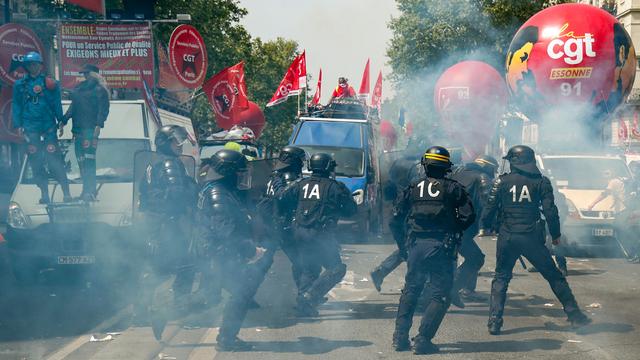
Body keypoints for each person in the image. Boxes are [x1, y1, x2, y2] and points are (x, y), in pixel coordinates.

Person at [481, 145, 591, 336]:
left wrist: (487, 226)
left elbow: (490, 207)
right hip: (531, 236)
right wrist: (555, 235)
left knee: (501, 277)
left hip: (507, 236)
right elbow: (550, 211)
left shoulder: (501, 181)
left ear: (514, 162)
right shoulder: (541, 182)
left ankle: (494, 322)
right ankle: (575, 316)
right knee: (554, 276)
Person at [391, 146, 475, 354]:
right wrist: (454, 230)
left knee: (411, 290)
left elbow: (395, 218)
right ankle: (423, 340)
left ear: (425, 165)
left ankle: (400, 339)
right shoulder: (454, 188)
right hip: (442, 248)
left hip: (416, 246)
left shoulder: (412, 187)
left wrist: (403, 244)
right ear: (447, 167)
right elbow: (468, 216)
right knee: (440, 294)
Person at [196, 149, 266, 351]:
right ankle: (226, 339)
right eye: (239, 172)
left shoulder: (218, 189)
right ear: (228, 172)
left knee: (224, 293)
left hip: (217, 251)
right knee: (241, 291)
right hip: (220, 253)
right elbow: (228, 232)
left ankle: (227, 337)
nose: (242, 177)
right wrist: (251, 252)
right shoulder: (218, 195)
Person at [137, 125, 199, 340]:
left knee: (161, 267)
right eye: (175, 142)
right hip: (171, 225)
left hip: (155, 225)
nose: (179, 145)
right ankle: (171, 309)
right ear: (165, 143)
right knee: (186, 265)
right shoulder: (170, 164)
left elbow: (144, 198)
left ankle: (144, 302)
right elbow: (177, 194)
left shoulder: (151, 165)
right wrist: (193, 192)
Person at [279, 153, 357, 316]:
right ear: (328, 167)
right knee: (336, 268)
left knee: (309, 268)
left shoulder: (300, 184)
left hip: (299, 231)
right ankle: (310, 296)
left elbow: (282, 199)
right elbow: (351, 211)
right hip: (321, 234)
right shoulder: (336, 186)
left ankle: (304, 307)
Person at [12, 51, 71, 203]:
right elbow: (16, 106)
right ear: (26, 66)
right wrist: (18, 125)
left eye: (35, 64)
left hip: (48, 127)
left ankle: (66, 193)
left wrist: (61, 120)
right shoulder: (20, 85)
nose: (32, 67)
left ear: (40, 65)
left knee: (54, 161)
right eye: (29, 64)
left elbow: (56, 103)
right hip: (30, 129)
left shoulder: (50, 83)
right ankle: (44, 194)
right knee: (36, 163)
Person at [252, 146, 307, 303]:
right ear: (294, 161)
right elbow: (283, 197)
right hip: (282, 227)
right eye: (300, 161)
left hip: (269, 225)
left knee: (262, 262)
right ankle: (304, 296)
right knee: (300, 261)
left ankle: (245, 295)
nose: (302, 164)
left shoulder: (274, 175)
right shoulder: (288, 176)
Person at [449, 154, 499, 305]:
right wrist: (494, 224)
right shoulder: (483, 177)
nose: (494, 173)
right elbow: (489, 204)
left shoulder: (457, 173)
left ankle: (467, 290)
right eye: (494, 169)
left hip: (447, 225)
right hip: (462, 227)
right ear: (488, 166)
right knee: (476, 258)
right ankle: (451, 290)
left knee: (453, 259)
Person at [62, 64, 110, 201]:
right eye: (84, 74)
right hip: (78, 130)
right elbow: (73, 106)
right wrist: (64, 120)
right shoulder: (78, 89)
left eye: (87, 73)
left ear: (95, 74)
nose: (85, 76)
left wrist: (99, 125)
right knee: (81, 161)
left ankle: (91, 191)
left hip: (90, 129)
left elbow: (104, 108)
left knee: (89, 161)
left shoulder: (100, 89)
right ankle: (85, 191)